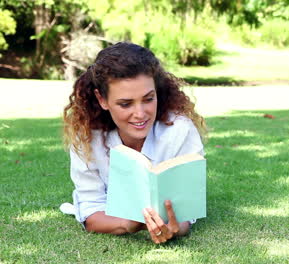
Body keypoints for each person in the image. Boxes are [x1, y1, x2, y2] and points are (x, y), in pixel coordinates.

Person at [61, 42, 206, 244]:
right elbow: (91, 211)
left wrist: (177, 227)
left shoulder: (180, 130)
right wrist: (129, 224)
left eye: (148, 99)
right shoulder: (86, 137)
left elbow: (187, 210)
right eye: (125, 104)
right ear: (102, 99)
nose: (140, 114)